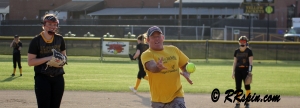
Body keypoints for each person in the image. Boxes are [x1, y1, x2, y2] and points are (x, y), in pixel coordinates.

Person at [141, 26, 193, 108]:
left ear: (163, 37)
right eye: (153, 37)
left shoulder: (173, 49)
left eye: (158, 36)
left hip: (176, 95)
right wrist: (158, 67)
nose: (156, 38)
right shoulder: (147, 54)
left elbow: (185, 65)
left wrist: (186, 73)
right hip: (158, 100)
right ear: (147, 40)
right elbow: (151, 67)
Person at [27, 14, 67, 108]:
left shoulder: (59, 39)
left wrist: (61, 61)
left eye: (54, 24)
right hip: (42, 78)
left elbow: (64, 57)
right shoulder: (36, 41)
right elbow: (30, 62)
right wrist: (48, 58)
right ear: (44, 25)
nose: (52, 27)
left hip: (58, 78)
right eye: (49, 24)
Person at [232, 36, 253, 108]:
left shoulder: (249, 51)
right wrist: (233, 72)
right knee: (238, 87)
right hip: (238, 70)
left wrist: (249, 72)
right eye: (241, 41)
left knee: (247, 86)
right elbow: (235, 62)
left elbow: (251, 63)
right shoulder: (236, 51)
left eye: (244, 41)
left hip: (246, 70)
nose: (242, 43)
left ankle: (247, 103)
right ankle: (238, 103)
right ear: (239, 42)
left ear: (246, 42)